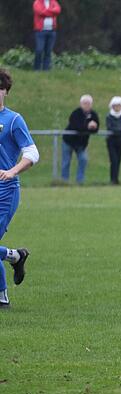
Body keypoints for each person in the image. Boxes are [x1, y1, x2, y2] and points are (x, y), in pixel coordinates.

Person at [0, 69, 38, 309]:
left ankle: (2, 295)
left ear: (5, 91)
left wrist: (12, 171)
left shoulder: (14, 120)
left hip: (5, 190)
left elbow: (32, 153)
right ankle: (15, 256)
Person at [62, 95, 99, 185]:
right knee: (66, 162)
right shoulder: (76, 113)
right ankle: (64, 182)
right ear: (81, 104)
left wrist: (93, 127)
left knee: (83, 159)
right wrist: (88, 126)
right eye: (84, 103)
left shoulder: (93, 114)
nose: (86, 105)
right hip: (69, 141)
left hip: (81, 144)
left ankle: (80, 181)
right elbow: (76, 127)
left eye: (88, 103)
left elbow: (96, 129)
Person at [106, 96, 121, 185]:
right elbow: (110, 128)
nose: (117, 107)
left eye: (119, 105)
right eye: (115, 106)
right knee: (114, 160)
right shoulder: (109, 116)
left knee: (118, 160)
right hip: (111, 140)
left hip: (120, 140)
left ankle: (116, 179)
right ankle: (113, 179)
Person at [33, 0, 61, 71]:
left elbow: (58, 10)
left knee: (48, 51)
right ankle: (37, 69)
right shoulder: (37, 2)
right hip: (40, 31)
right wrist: (52, 12)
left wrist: (46, 11)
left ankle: (46, 69)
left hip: (52, 31)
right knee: (39, 50)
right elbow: (40, 12)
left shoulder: (54, 2)